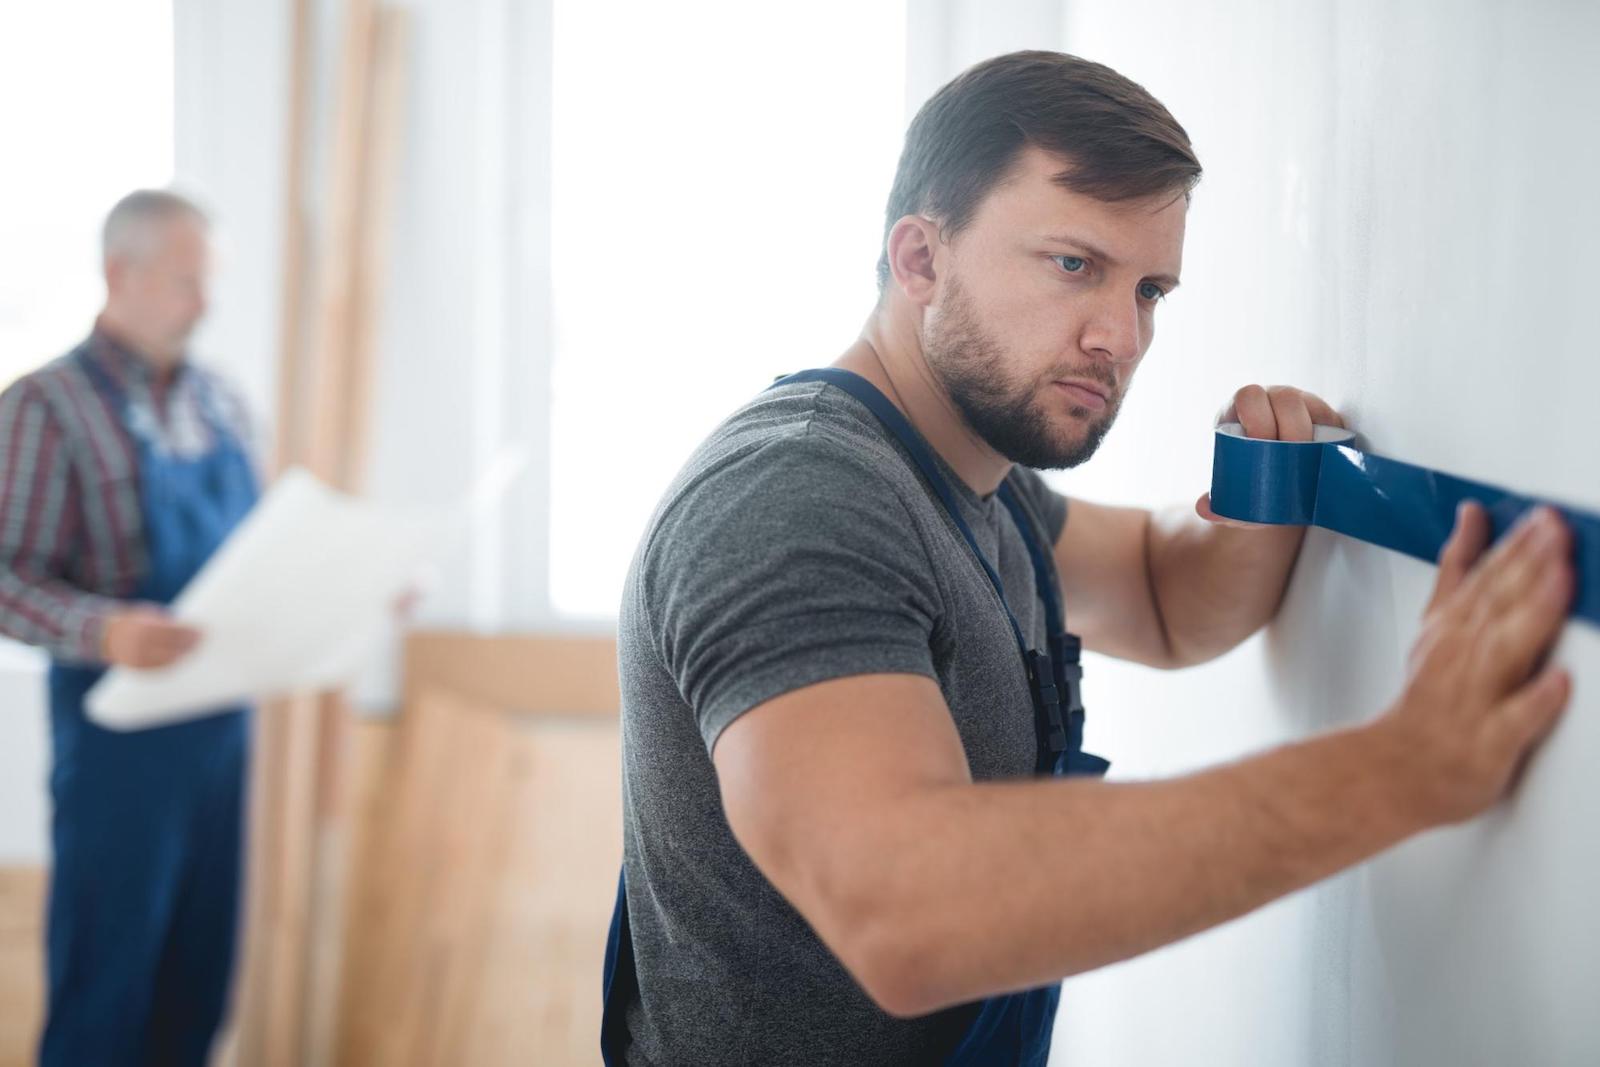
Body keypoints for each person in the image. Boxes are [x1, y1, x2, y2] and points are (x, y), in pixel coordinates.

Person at [601, 51, 1575, 1066]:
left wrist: (1264, 487)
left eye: (1149, 287)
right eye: (1074, 265)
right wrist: (1399, 767)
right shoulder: (797, 498)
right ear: (920, 260)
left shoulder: (976, 479)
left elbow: (1160, 594)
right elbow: (909, 910)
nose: (1119, 336)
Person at [0, 189, 259, 1066]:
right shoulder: (44, 407)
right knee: (103, 998)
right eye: (188, 282)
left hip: (222, 737)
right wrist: (101, 628)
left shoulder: (220, 402)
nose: (206, 303)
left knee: (198, 989)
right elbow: (4, 577)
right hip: (119, 752)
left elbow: (254, 554)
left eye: (209, 282)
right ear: (122, 274)